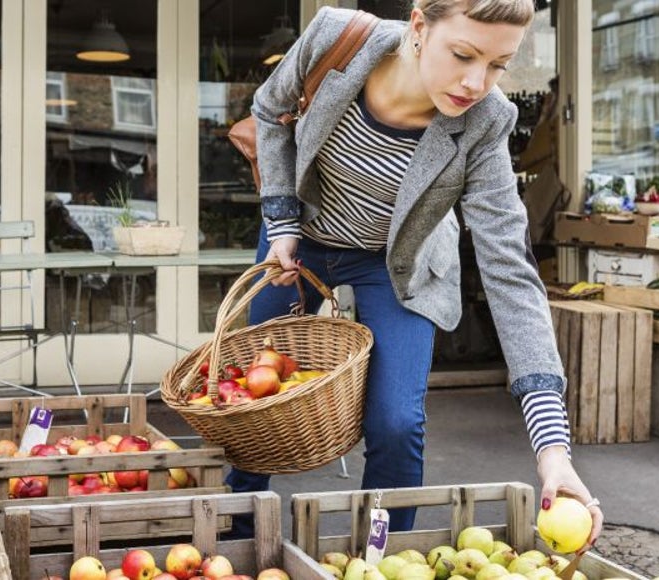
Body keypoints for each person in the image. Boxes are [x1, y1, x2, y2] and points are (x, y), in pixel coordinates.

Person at [229, 0, 603, 550]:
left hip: (397, 262)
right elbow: (269, 110)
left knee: (396, 423)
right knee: (253, 398)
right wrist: (281, 219)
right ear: (420, 26)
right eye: (463, 55)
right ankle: (236, 539)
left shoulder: (486, 120)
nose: (477, 82)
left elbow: (510, 272)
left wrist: (553, 453)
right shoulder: (337, 38)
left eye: (498, 65)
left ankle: (382, 557)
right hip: (298, 241)